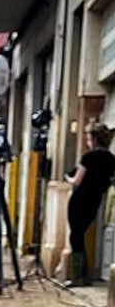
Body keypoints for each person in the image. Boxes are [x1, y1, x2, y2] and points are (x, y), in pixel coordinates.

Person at [64, 122, 115, 287]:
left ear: (93, 139)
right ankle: (84, 274)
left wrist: (68, 177)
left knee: (75, 235)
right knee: (80, 234)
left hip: (80, 199)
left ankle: (79, 275)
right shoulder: (111, 159)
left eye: (88, 137)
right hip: (95, 200)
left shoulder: (88, 157)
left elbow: (76, 181)